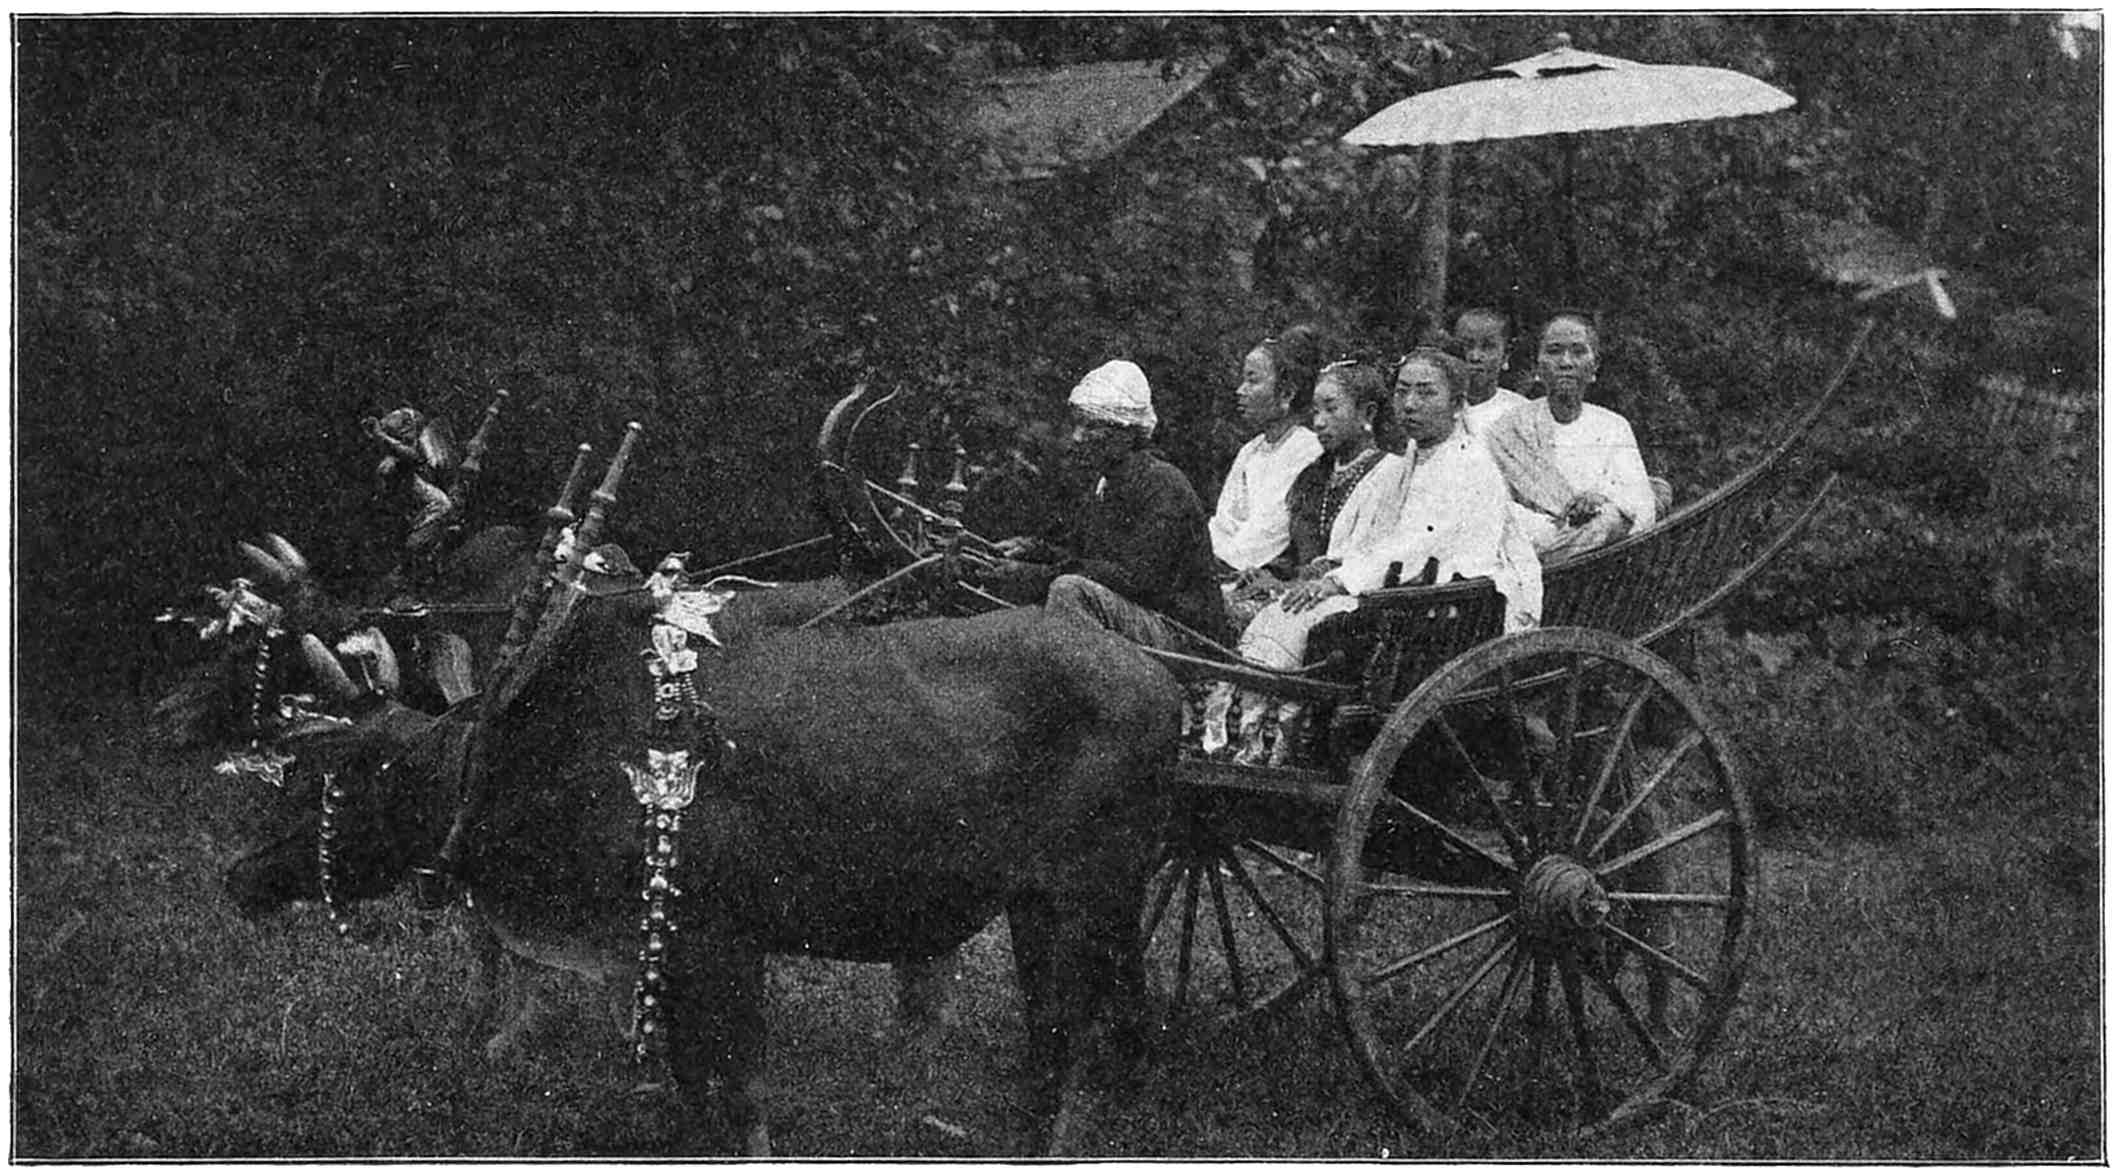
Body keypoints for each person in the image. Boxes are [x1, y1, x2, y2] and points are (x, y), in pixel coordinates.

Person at [1222, 349, 1542, 765]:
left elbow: (1419, 544)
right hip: (1401, 589)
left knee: (1306, 618)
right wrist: (1334, 566)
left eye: (1425, 393)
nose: (1409, 404)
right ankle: (1249, 736)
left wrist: (1341, 580)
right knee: (1285, 612)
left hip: (1444, 605)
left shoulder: (1467, 463)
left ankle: (1279, 743)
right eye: (1403, 391)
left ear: (1457, 404)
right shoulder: (1412, 458)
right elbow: (1378, 535)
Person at [1200, 358, 1412, 758]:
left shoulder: (1391, 473)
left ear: (1367, 414)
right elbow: (1301, 554)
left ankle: (1267, 744)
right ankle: (1219, 734)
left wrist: (1315, 580)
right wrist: (1276, 579)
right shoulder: (1314, 476)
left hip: (1353, 592)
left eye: (1331, 409)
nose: (1319, 422)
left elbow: (1375, 554)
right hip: (1305, 587)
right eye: (1315, 410)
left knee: (1275, 622)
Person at [983, 359, 1228, 650]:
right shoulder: (1106, 483)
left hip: (1183, 635)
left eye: (1091, 426)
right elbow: (1084, 556)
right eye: (1078, 424)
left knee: (1070, 590)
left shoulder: (1164, 485)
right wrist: (1032, 550)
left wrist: (1034, 576)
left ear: (1126, 433)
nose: (1077, 437)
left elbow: (1135, 580)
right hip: (1144, 617)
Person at [1486, 312, 1660, 560]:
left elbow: (1642, 505)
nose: (1566, 362)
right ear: (1537, 365)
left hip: (1602, 551)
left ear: (1595, 367)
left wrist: (1599, 500)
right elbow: (1495, 504)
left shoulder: (1613, 426)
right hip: (1532, 545)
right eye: (1554, 351)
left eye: (1578, 352)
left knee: (1610, 519)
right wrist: (1554, 526)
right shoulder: (1508, 428)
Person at [1212, 326, 1327, 623]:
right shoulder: (1250, 451)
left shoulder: (1308, 450)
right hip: (1224, 568)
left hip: (1268, 579)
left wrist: (1216, 567)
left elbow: (1270, 531)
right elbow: (1224, 521)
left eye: (1253, 380)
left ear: (1287, 393)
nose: (1241, 390)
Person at [1451, 307, 1530, 439]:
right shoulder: (1436, 408)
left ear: (1506, 354)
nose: (1475, 356)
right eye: (1466, 346)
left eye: (1487, 347)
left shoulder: (1522, 413)